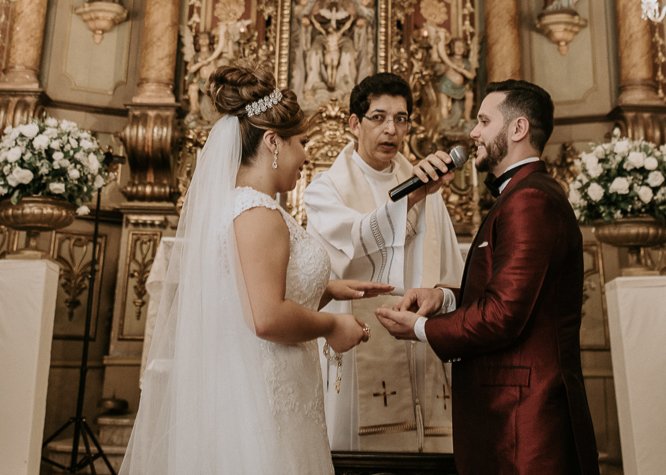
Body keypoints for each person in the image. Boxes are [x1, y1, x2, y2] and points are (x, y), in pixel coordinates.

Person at [120, 64, 391, 475]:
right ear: (272, 142)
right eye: (301, 142)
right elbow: (266, 318)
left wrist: (329, 288)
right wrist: (332, 327)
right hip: (264, 399)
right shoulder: (259, 213)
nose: (306, 155)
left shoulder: (244, 206)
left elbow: (246, 297)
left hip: (267, 386)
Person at [376, 80, 600, 475]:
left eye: (483, 121)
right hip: (511, 414)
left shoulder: (530, 200)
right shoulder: (520, 195)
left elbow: (504, 313)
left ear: (517, 129)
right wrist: (444, 299)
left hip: (527, 421)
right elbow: (511, 292)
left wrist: (422, 328)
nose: (474, 133)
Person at [304, 72, 464, 454]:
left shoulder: (426, 187)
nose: (391, 129)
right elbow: (354, 243)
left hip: (421, 342)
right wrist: (410, 199)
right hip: (358, 343)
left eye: (401, 118)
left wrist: (438, 295)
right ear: (355, 123)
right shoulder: (326, 188)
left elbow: (452, 274)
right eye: (378, 117)